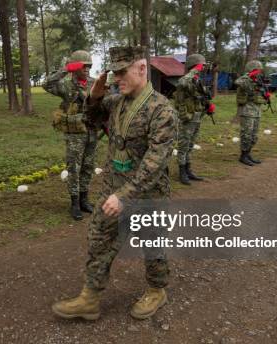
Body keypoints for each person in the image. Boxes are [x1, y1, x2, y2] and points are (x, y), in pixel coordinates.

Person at [51, 46, 178, 320]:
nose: (116, 78)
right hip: (112, 189)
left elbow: (155, 162)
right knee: (99, 238)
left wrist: (124, 195)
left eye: (122, 72)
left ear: (142, 69)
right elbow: (91, 121)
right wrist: (95, 98)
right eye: (113, 72)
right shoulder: (115, 102)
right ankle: (90, 299)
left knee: (151, 245)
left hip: (146, 194)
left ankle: (157, 290)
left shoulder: (162, 110)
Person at [44, 50, 97, 220]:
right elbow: (47, 84)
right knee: (74, 168)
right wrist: (65, 69)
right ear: (75, 67)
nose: (87, 69)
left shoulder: (94, 83)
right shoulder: (66, 85)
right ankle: (74, 204)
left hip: (92, 132)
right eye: (83, 66)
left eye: (89, 66)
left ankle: (84, 200)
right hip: (75, 134)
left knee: (88, 166)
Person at [173, 53, 215, 184]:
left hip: (197, 116)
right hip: (188, 117)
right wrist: (194, 71)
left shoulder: (197, 80)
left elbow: (199, 96)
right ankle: (182, 172)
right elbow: (181, 83)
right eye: (201, 65)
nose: (203, 68)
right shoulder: (187, 79)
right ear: (195, 66)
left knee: (190, 145)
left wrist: (207, 105)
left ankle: (188, 169)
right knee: (184, 145)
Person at [235, 60, 270, 166]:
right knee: (246, 134)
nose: (259, 72)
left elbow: (261, 93)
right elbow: (238, 82)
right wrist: (249, 75)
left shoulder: (258, 81)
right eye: (257, 70)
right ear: (252, 70)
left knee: (254, 135)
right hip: (247, 111)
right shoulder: (245, 79)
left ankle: (248, 153)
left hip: (257, 111)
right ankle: (243, 156)